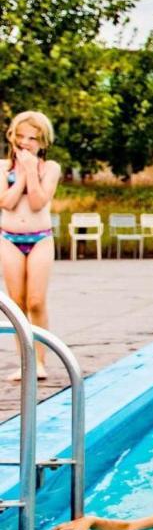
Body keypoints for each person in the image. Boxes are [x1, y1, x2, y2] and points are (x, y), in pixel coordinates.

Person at [1, 111, 61, 383]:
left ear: (43, 142)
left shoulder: (51, 168)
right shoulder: (3, 168)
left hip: (40, 238)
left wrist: (30, 172)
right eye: (21, 136)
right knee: (17, 302)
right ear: (12, 137)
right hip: (10, 238)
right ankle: (25, 362)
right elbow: (6, 201)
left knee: (36, 300)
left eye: (33, 138)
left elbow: (38, 202)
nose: (26, 143)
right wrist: (22, 174)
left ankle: (40, 361)